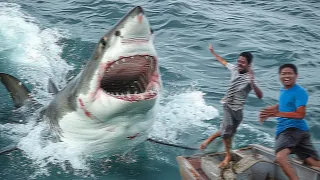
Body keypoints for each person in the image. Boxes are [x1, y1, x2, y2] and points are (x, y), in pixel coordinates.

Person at [200, 44, 263, 168]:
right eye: (238, 61)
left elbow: (260, 95)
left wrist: (252, 82)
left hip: (238, 111)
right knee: (226, 133)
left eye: (243, 62)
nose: (239, 63)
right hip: (227, 106)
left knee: (228, 132)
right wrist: (213, 52)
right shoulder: (234, 69)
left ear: (249, 65)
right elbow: (223, 62)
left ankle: (208, 140)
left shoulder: (250, 78)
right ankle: (228, 155)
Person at [259, 63, 320, 180]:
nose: (286, 76)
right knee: (311, 161)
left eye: (289, 73)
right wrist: (271, 110)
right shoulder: (284, 90)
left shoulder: (300, 92)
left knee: (281, 157)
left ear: (296, 76)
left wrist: (277, 114)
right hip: (300, 131)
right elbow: (285, 104)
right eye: (283, 74)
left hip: (292, 129)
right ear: (279, 76)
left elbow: (301, 114)